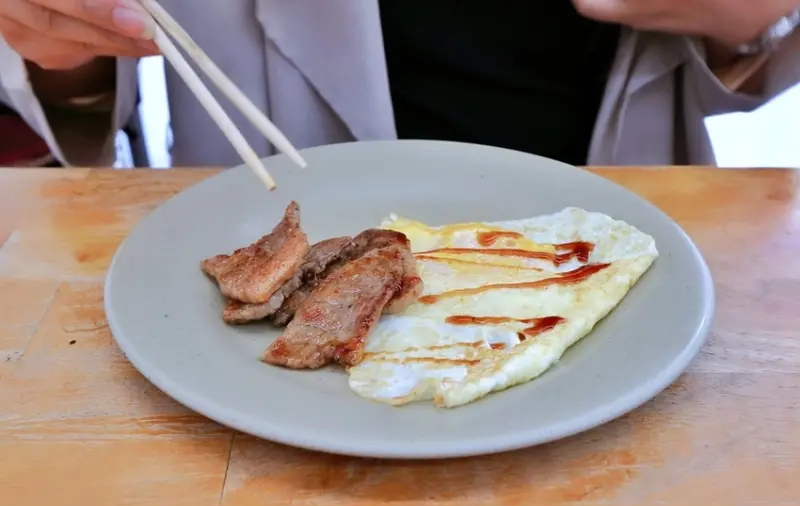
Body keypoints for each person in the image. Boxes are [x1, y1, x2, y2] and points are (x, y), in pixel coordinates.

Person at [1, 0, 799, 169]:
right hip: (257, 225)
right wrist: (58, 46)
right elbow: (78, 96)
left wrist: (753, 17)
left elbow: (759, 53)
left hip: (617, 239)